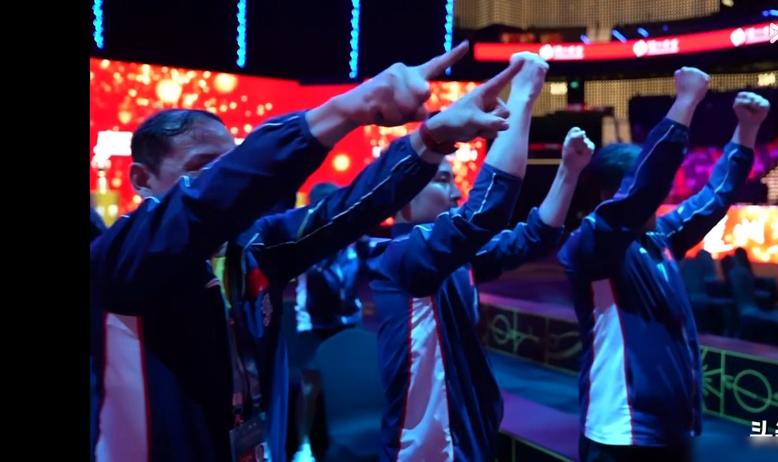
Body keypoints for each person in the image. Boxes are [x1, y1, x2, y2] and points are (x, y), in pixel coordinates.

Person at [91, 41, 527, 461]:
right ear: (142, 180)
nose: (226, 181)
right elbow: (207, 202)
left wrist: (431, 139)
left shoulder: (255, 249)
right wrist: (351, 107)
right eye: (202, 168)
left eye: (228, 163)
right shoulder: (121, 256)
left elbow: (349, 209)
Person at [367, 53, 594, 461]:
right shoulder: (400, 256)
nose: (455, 192)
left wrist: (568, 172)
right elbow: (483, 214)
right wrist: (523, 98)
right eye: (442, 181)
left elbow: (532, 238)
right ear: (402, 197)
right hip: (429, 450)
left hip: (468, 434)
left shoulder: (450, 257)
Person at [558, 67, 771, 461]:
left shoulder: (660, 237)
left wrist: (746, 130)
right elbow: (644, 187)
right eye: (648, 190)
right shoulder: (590, 246)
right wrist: (685, 102)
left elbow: (714, 197)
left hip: (675, 429)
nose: (659, 197)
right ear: (610, 194)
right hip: (621, 436)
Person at [288, 182, 367, 462]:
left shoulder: (355, 239)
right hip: (314, 325)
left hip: (348, 322)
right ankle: (303, 446)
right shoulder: (305, 242)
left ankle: (346, 442)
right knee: (312, 388)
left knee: (348, 383)